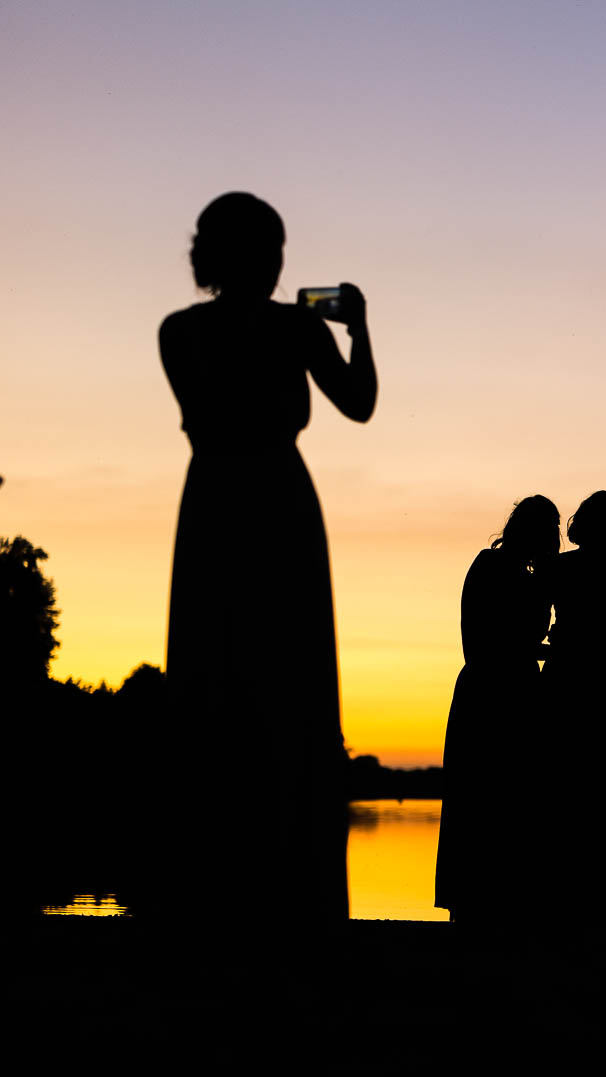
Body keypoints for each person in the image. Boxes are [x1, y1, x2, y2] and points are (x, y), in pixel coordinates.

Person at [155, 191, 376, 920]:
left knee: (225, 668)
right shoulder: (294, 329)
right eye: (272, 248)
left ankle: (216, 880)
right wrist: (358, 329)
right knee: (281, 677)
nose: (281, 262)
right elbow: (360, 401)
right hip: (273, 503)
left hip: (219, 500)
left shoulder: (180, 332)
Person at [435, 496, 560, 922]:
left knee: (490, 799)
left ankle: (483, 898)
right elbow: (510, 639)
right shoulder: (503, 571)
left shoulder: (490, 568)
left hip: (491, 689)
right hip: (501, 693)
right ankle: (491, 898)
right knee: (496, 796)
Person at [544, 490, 606, 911]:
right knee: (602, 785)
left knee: (565, 783)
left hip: (565, 677)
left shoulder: (558, 568)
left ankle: (563, 885)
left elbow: (535, 623)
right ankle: (601, 888)